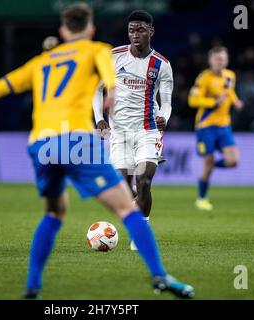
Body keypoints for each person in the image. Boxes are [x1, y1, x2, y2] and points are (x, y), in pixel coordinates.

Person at [0, 2, 194, 299]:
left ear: (62, 31)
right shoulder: (99, 50)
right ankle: (160, 276)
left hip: (42, 143)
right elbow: (107, 79)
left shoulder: (42, 61)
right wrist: (111, 92)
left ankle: (32, 287)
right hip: (74, 139)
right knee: (126, 206)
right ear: (90, 29)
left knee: (54, 212)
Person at [93, 10, 172, 251]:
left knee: (144, 180)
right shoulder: (113, 57)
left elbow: (167, 101)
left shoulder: (162, 65)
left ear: (151, 31)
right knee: (124, 188)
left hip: (147, 130)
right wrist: (99, 119)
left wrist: (164, 117)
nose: (135, 35)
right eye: (131, 30)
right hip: (119, 133)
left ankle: (141, 232)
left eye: (140, 30)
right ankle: (135, 199)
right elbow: (96, 91)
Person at [188, 46, 244, 211]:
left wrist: (235, 102)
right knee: (208, 164)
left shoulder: (230, 75)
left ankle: (211, 165)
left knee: (233, 161)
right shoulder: (204, 78)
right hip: (206, 127)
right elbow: (192, 100)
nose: (221, 62)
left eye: (223, 59)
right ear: (210, 61)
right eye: (217, 59)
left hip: (224, 125)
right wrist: (213, 102)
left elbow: (229, 92)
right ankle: (202, 198)